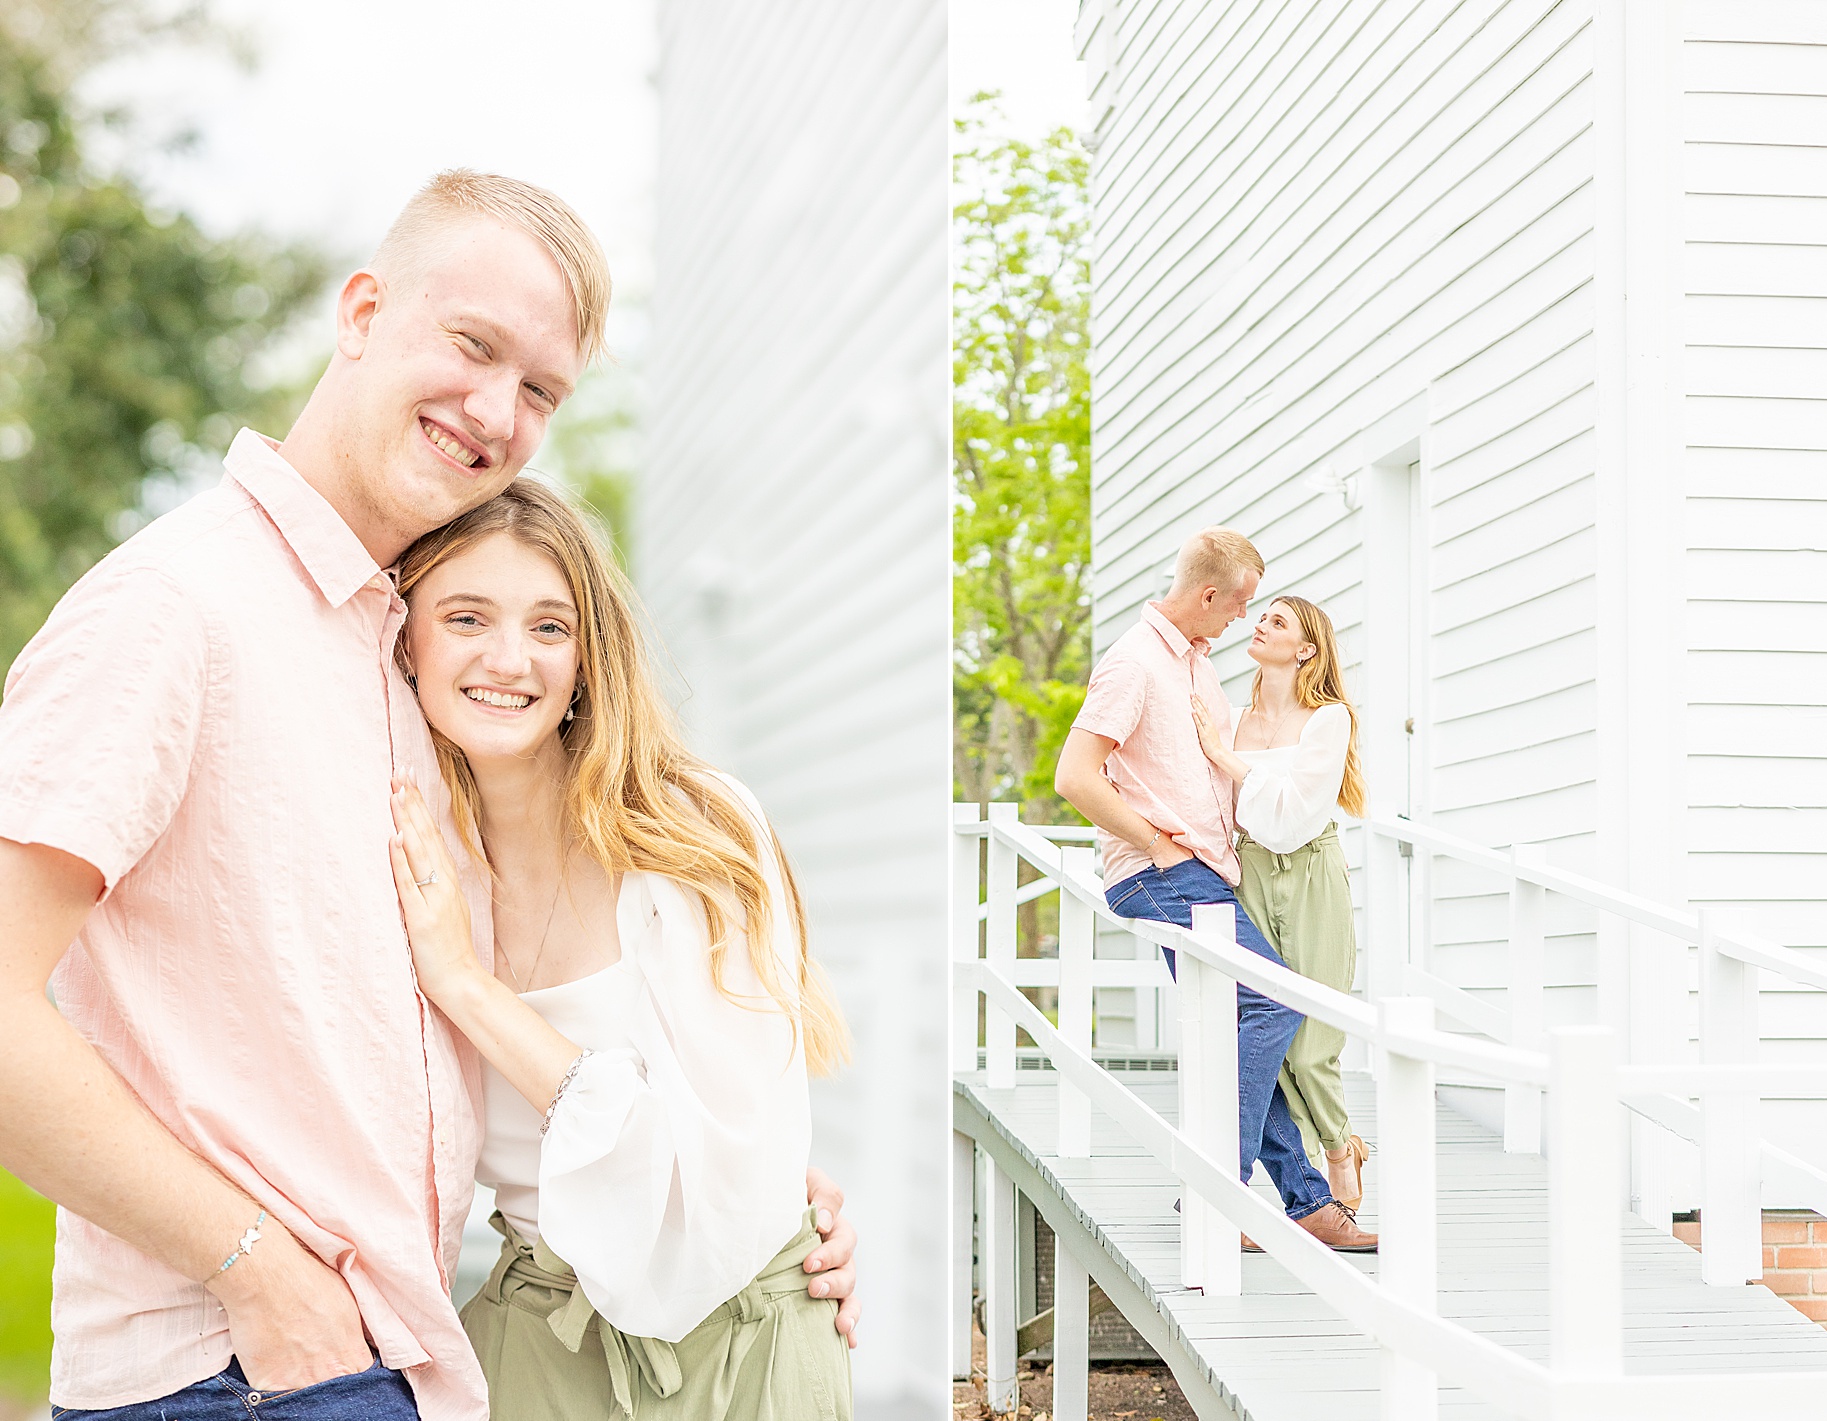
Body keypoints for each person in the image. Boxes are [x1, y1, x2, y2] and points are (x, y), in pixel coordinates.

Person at [0, 170, 855, 1421]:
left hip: (388, 1353)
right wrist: (261, 1275)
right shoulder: (172, 608)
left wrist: (737, 1198)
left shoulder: (397, 648)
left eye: (542, 391)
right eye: (472, 343)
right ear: (360, 315)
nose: (496, 410)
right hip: (238, 1371)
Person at [383, 479, 852, 1417]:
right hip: (537, 1338)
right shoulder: (407, 853)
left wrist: (467, 987)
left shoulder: (693, 830)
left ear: (590, 658)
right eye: (466, 616)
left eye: (550, 627)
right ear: (406, 640)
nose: (509, 659)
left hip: (738, 1350)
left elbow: (716, 1189)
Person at [1053, 528, 1376, 1253]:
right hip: (1166, 874)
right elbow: (1074, 776)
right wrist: (1157, 843)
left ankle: (1306, 1202)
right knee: (1276, 999)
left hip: (1206, 871)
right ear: (1207, 595)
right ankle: (1220, 1197)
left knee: (1245, 1024)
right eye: (1239, 607)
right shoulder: (1135, 664)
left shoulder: (1197, 670)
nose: (1241, 621)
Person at [1191, 594, 1370, 1209]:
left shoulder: (1329, 718)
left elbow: (1294, 821)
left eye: (1278, 622)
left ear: (1306, 650)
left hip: (1312, 873)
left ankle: (1341, 1143)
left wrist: (1224, 760)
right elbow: (1237, 812)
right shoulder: (1231, 720)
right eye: (1261, 616)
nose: (1261, 625)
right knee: (1269, 1027)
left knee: (1313, 1035)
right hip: (1250, 873)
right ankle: (1313, 1169)